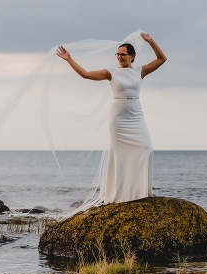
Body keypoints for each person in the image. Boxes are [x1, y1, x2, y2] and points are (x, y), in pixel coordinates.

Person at [56, 31, 166, 204]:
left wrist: (151, 41)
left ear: (132, 56)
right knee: (120, 156)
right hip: (118, 118)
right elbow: (85, 74)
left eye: (123, 55)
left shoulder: (140, 71)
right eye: (117, 54)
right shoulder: (111, 73)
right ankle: (121, 195)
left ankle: (140, 192)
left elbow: (162, 59)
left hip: (136, 115)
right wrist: (69, 59)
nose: (119, 57)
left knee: (146, 149)